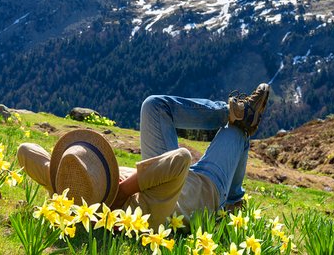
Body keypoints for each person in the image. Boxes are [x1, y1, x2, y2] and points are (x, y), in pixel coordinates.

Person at [17, 83, 270, 228]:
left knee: (153, 105)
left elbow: (25, 151)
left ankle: (231, 111)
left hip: (162, 172)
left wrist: (57, 175)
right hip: (206, 188)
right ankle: (233, 199)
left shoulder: (69, 190)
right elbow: (180, 159)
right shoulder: (143, 212)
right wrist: (125, 190)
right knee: (237, 134)